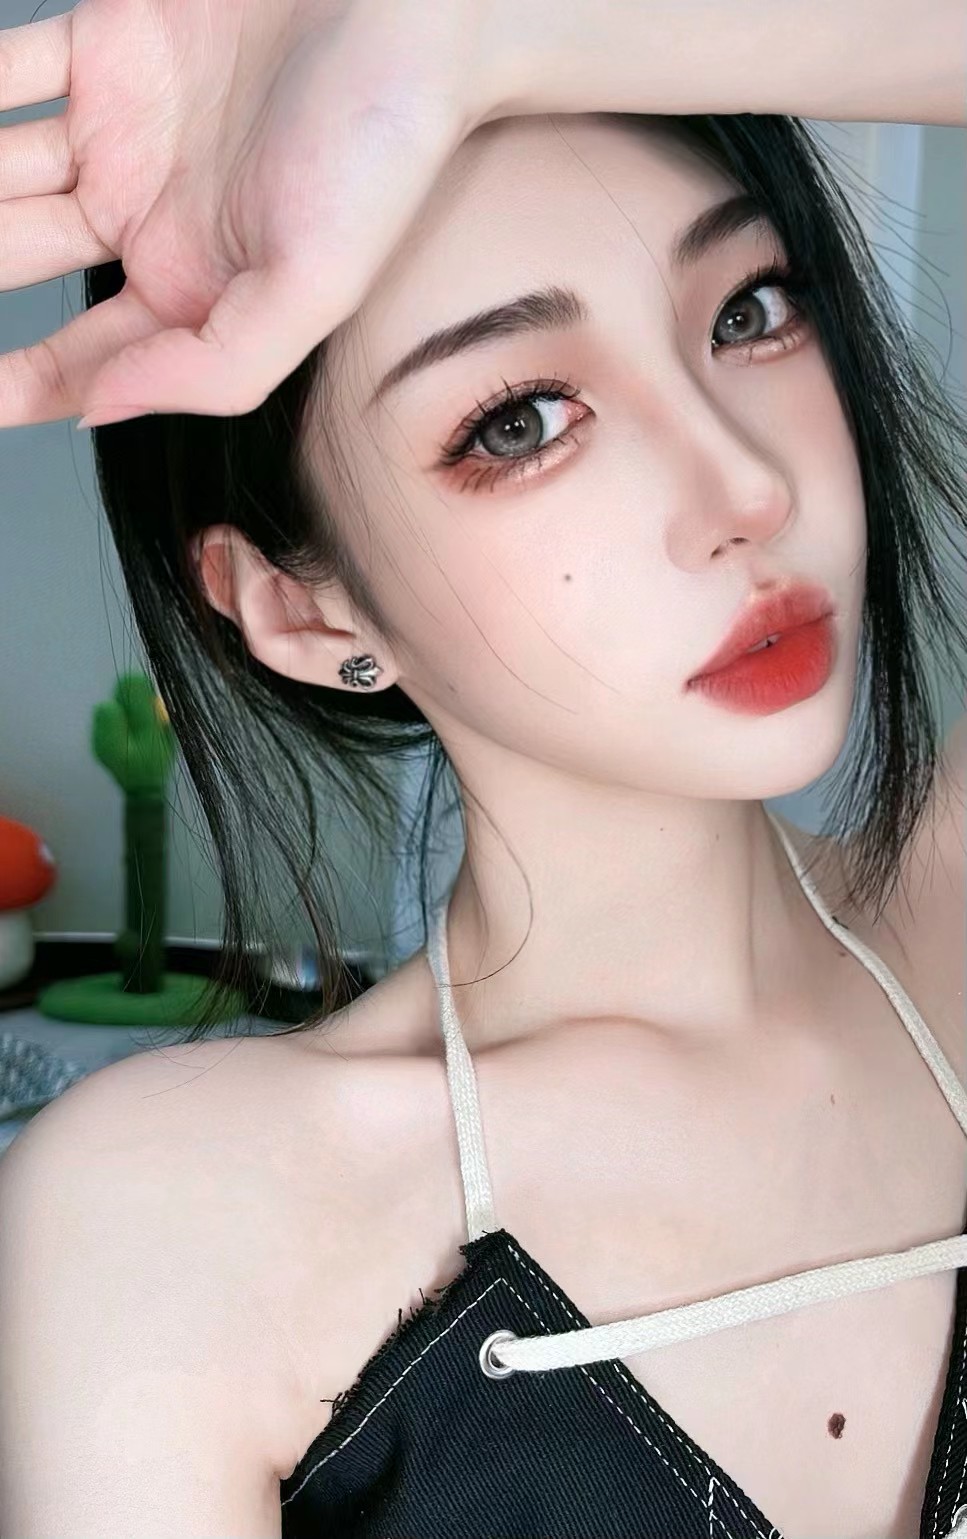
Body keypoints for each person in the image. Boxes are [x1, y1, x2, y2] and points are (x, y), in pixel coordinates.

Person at [1, 6, 966, 1539]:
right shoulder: (181, 1218)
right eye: (522, 421)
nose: (746, 485)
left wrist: (474, 35)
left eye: (748, 310)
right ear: (303, 607)